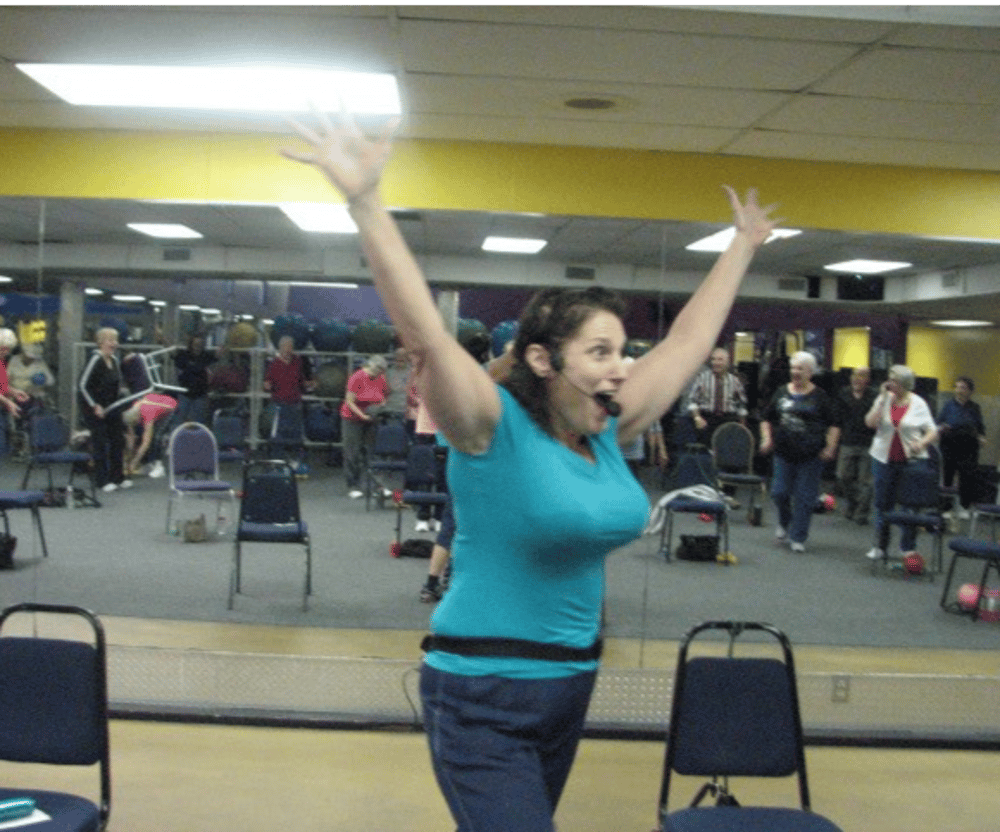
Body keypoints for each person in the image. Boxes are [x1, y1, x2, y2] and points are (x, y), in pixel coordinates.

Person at [280, 107, 777, 832]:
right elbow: (427, 336)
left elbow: (687, 343)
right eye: (600, 353)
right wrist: (366, 204)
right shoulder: (490, 427)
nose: (622, 367)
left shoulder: (608, 426)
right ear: (545, 361)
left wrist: (742, 245)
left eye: (621, 350)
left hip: (568, 684)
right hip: (480, 688)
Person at [759, 351, 840, 553]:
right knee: (779, 493)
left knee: (805, 498)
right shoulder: (780, 391)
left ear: (810, 373)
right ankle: (785, 522)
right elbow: (766, 418)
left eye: (800, 369)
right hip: (783, 453)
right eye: (793, 368)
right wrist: (767, 438)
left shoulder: (820, 396)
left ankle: (798, 537)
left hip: (811, 456)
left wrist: (830, 447)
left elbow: (834, 424)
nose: (795, 372)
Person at [864, 364, 939, 560]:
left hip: (912, 461)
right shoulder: (884, 399)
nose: (889, 384)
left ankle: (908, 547)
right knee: (882, 505)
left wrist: (922, 442)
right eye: (889, 379)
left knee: (910, 506)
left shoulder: (919, 403)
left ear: (905, 384)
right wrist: (881, 402)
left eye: (894, 380)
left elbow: (933, 431)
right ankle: (880, 546)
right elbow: (870, 423)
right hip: (883, 458)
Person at [78, 327, 132, 492]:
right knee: (100, 442)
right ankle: (101, 481)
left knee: (118, 441)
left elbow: (116, 385)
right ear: (100, 342)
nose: (114, 344)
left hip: (111, 408)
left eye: (115, 340)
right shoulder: (95, 359)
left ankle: (117, 477)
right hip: (94, 409)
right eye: (109, 340)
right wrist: (94, 405)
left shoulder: (115, 360)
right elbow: (82, 385)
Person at [338, 354, 389, 498]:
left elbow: (384, 395)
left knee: (372, 452)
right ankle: (353, 485)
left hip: (371, 418)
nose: (379, 374)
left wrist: (380, 406)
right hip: (352, 418)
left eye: (381, 372)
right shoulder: (357, 377)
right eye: (378, 371)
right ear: (372, 367)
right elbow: (349, 401)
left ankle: (376, 486)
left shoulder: (380, 378)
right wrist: (362, 416)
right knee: (352, 452)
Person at [936, 376, 986, 520]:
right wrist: (942, 428)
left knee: (967, 478)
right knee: (948, 477)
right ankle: (947, 508)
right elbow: (938, 423)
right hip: (950, 446)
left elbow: (980, 427)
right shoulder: (948, 405)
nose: (959, 390)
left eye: (962, 388)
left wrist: (982, 437)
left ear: (970, 391)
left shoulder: (975, 407)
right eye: (957, 387)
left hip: (969, 448)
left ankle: (964, 507)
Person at [263, 334, 315, 466]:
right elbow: (267, 383)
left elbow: (301, 381)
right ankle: (277, 463)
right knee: (278, 437)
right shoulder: (273, 364)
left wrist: (310, 384)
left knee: (296, 436)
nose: (289, 350)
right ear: (280, 348)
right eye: (286, 347)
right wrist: (267, 385)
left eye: (291, 347)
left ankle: (297, 463)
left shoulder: (297, 361)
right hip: (279, 405)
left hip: (295, 404)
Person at [834, 366, 877, 525]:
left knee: (865, 482)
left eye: (861, 375)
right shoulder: (843, 394)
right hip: (848, 441)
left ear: (867, 380)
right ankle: (854, 502)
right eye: (854, 375)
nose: (856, 378)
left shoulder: (874, 396)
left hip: (868, 443)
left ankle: (861, 513)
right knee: (842, 476)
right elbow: (837, 419)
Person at [686, 346, 748, 446]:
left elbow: (742, 406)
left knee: (726, 453)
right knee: (707, 455)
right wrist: (697, 417)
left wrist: (742, 426)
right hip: (706, 420)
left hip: (728, 421)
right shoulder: (702, 378)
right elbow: (692, 401)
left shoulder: (735, 381)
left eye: (720, 360)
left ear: (728, 362)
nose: (715, 363)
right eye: (713, 359)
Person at [123, 392, 178, 477]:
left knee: (156, 437)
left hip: (172, 408)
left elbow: (146, 442)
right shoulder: (135, 406)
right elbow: (132, 436)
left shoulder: (148, 414)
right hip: (158, 406)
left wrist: (134, 462)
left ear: (138, 418)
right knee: (141, 434)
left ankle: (159, 466)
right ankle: (148, 462)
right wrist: (128, 459)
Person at [172, 334, 216, 426]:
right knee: (178, 420)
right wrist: (162, 339)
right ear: (191, 345)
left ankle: (198, 438)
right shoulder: (184, 356)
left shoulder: (205, 356)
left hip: (200, 394)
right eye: (196, 345)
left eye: (200, 345)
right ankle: (175, 437)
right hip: (185, 393)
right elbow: (173, 354)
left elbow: (218, 356)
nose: (197, 347)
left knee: (199, 422)